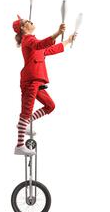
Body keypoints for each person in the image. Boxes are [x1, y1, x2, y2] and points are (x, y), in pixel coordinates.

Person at [12, 15, 77, 156]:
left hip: (38, 81)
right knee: (26, 111)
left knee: (50, 106)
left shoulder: (34, 43)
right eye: (26, 22)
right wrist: (58, 33)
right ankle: (19, 145)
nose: (30, 21)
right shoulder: (28, 40)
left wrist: (67, 40)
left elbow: (49, 49)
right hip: (30, 80)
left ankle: (28, 121)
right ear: (23, 28)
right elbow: (40, 44)